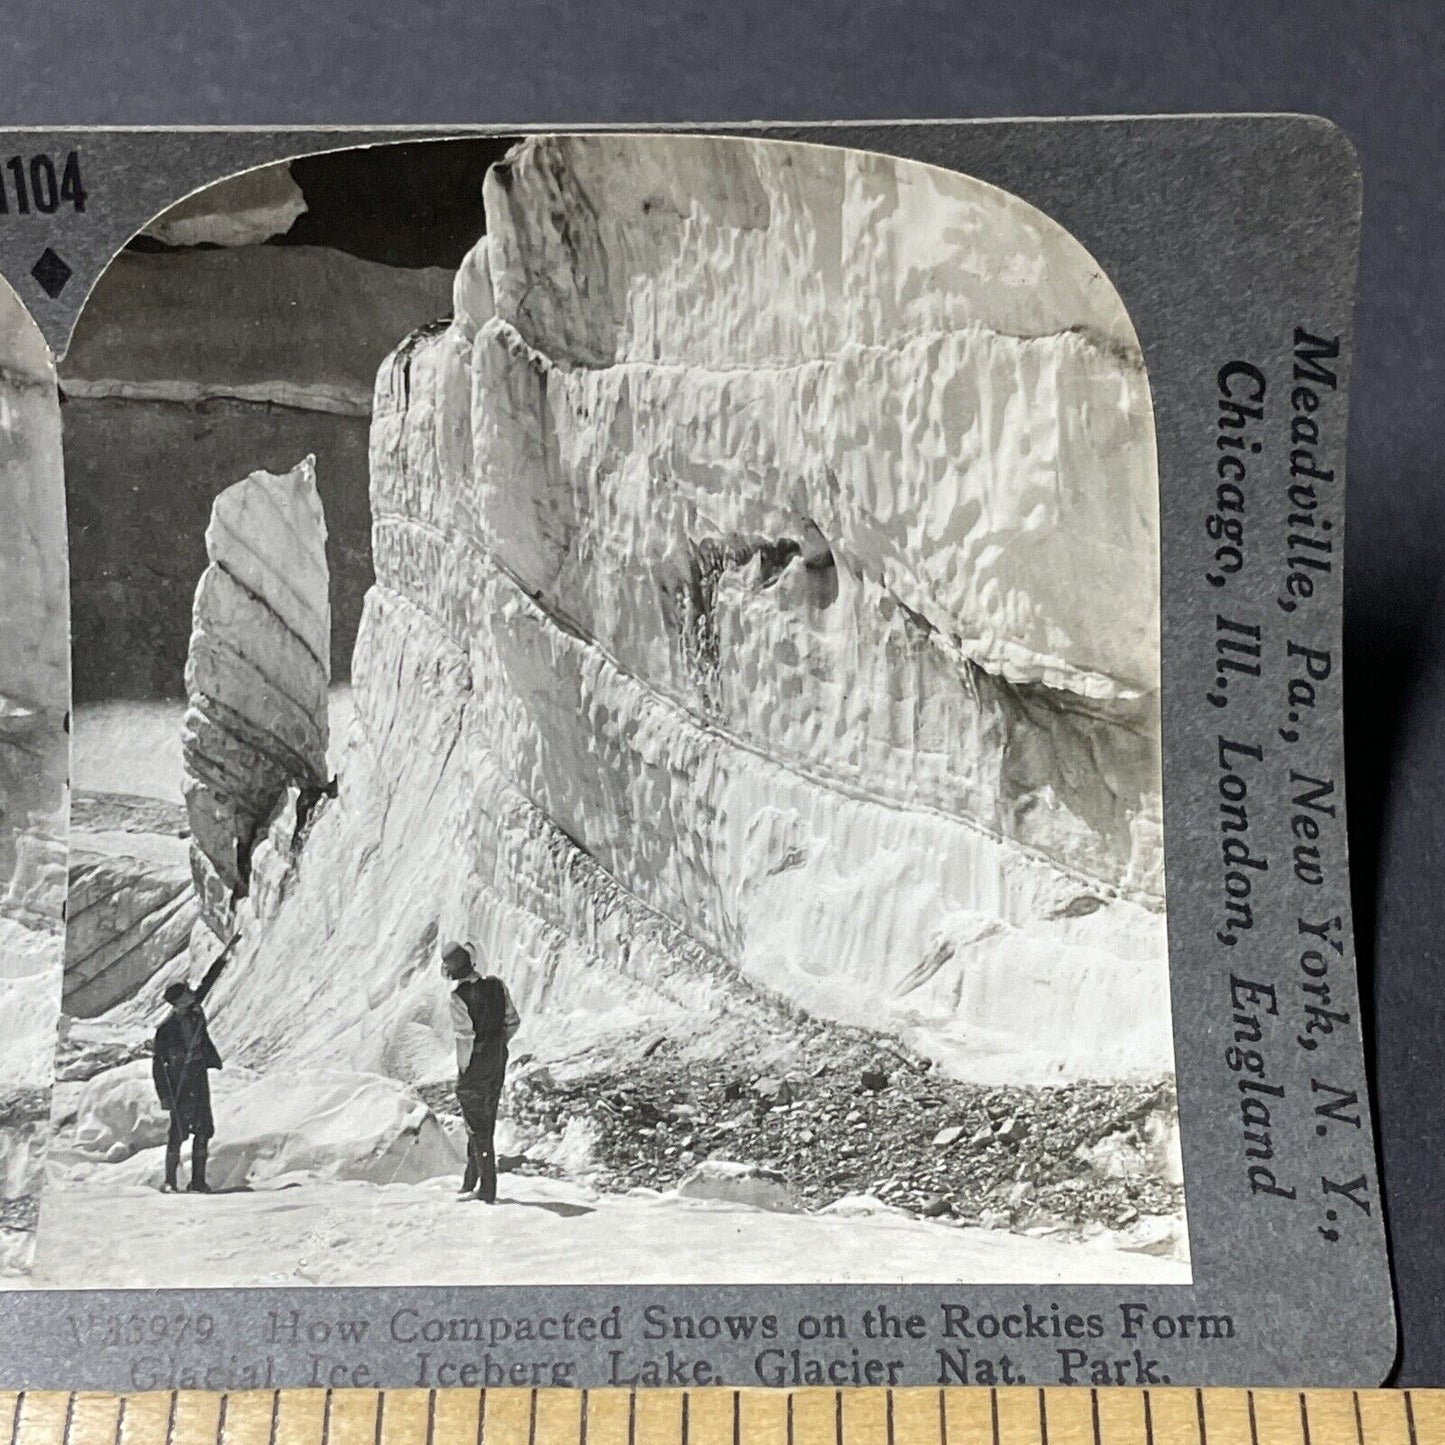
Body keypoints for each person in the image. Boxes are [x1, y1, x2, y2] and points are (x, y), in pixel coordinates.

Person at [152, 941, 235, 1194]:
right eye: (186, 993)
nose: (191, 993)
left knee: (204, 1128)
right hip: (179, 1081)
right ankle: (170, 1181)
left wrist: (222, 959)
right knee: (177, 1131)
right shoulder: (165, 1031)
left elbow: (207, 984)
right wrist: (165, 1095)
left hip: (198, 1076)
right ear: (178, 1002)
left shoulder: (194, 1011)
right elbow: (158, 1066)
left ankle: (198, 1181)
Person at [442, 940, 520, 1203]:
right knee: (483, 1121)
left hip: (475, 1065)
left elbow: (465, 1037)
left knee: (477, 1126)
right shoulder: (497, 985)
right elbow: (512, 1021)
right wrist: (498, 1046)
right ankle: (470, 1180)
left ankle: (487, 1189)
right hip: (497, 1060)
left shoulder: (458, 997)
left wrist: (465, 1069)